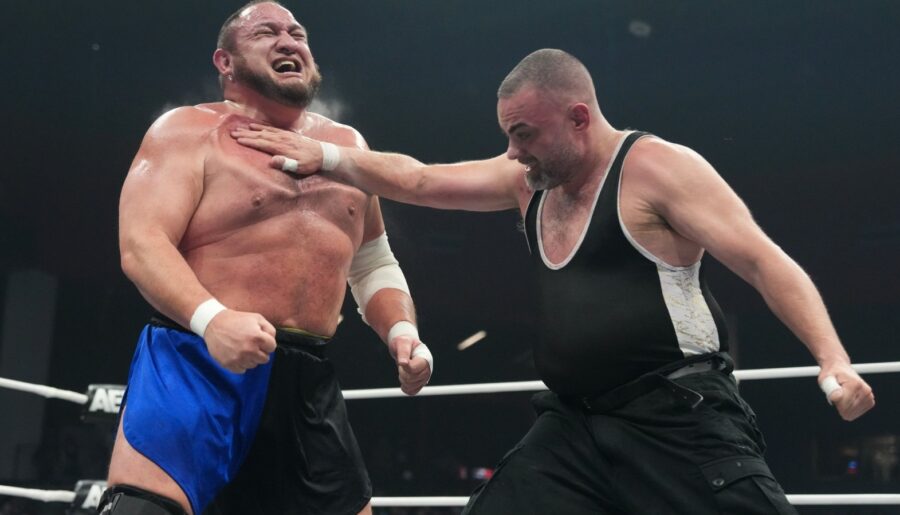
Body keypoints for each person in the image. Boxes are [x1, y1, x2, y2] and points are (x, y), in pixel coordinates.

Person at [232, 48, 876, 514]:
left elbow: (764, 260)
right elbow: (421, 179)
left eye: (523, 134)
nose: (513, 152)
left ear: (578, 117)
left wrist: (832, 360)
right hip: (574, 424)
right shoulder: (528, 181)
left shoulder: (659, 170)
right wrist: (330, 157)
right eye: (508, 136)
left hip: (678, 416)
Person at [101, 2, 432, 514]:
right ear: (225, 62)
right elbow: (142, 244)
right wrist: (213, 320)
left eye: (297, 33)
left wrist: (401, 332)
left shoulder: (347, 146)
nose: (288, 41)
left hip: (305, 379)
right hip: (195, 360)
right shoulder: (185, 131)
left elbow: (372, 263)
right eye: (266, 32)